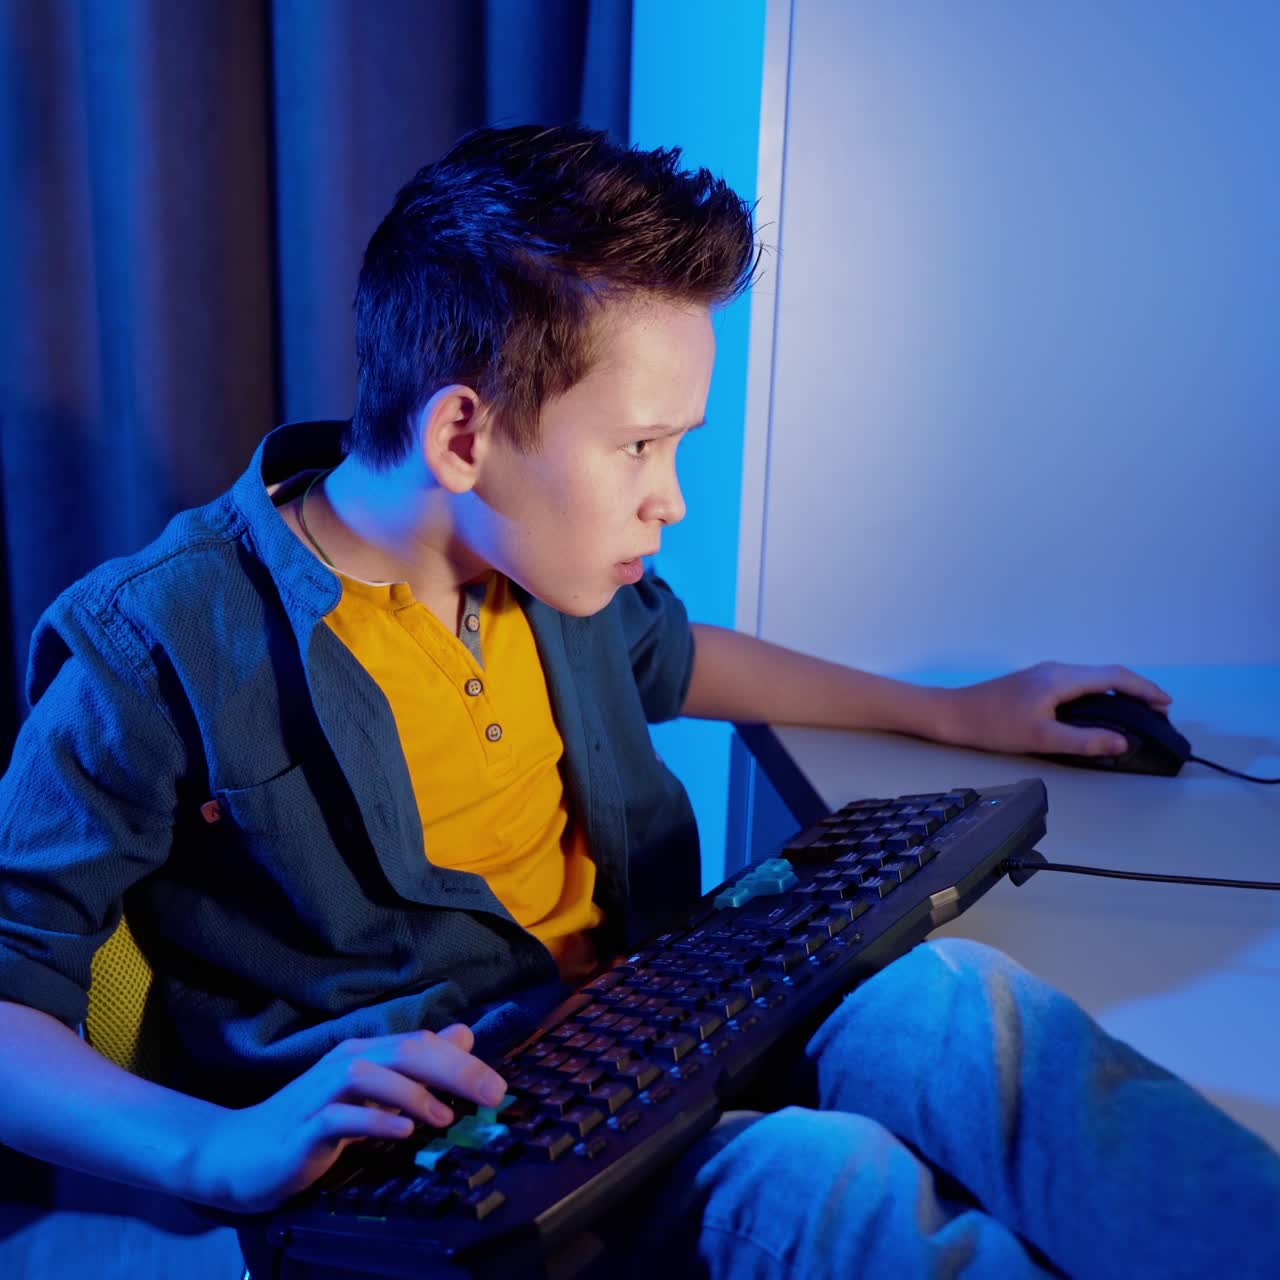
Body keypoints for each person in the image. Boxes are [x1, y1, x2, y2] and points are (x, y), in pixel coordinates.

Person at [0, 124, 1274, 1279]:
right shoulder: (152, 640)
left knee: (950, 1000)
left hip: (658, 1010)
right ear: (462, 437)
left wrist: (956, 712)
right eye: (638, 447)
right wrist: (210, 1153)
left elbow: (687, 658)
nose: (669, 497)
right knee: (826, 1183)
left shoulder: (547, 567)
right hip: (457, 1146)